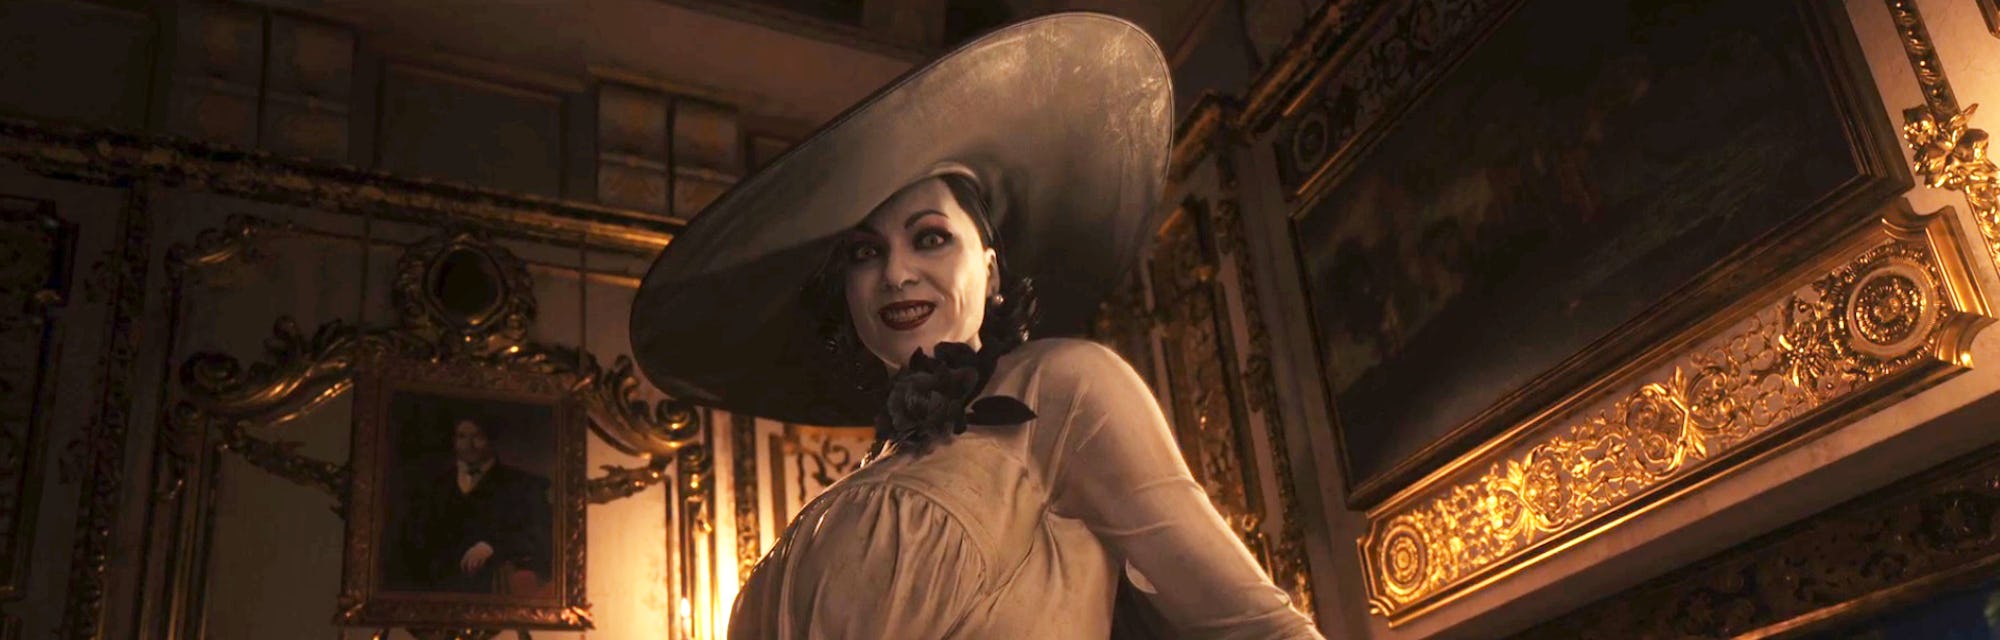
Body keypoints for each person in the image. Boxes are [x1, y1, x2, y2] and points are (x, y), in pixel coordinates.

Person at [630, 13, 1325, 639]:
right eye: (865, 253)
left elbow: (1263, 630)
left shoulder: (1059, 388)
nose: (896, 273)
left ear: (991, 273)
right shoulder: (848, 492)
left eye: (930, 238)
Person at [395, 417, 553, 595]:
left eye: (477, 437)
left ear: (491, 439)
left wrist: (492, 547)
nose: (468, 445)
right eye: (462, 437)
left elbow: (539, 535)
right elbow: (415, 540)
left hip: (492, 590)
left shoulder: (523, 484)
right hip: (438, 590)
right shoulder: (434, 486)